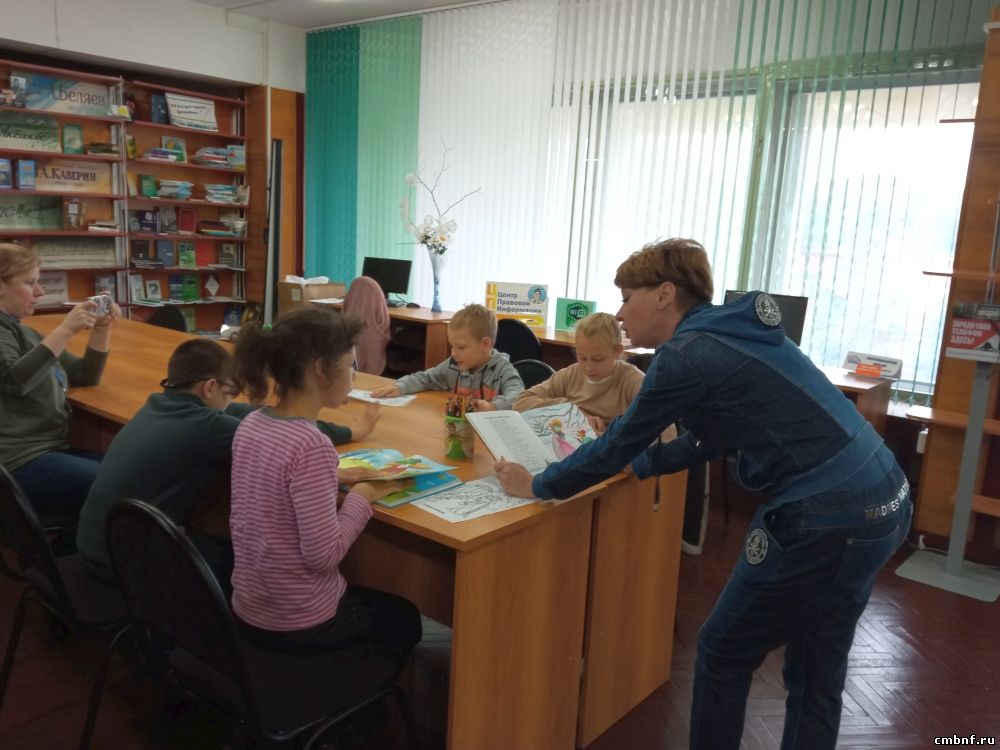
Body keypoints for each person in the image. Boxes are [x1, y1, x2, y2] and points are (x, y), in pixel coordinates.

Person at [495, 238, 912, 750]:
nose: (620, 313)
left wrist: (538, 484)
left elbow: (617, 443)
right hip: (885, 498)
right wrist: (645, 465)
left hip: (822, 513)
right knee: (816, 669)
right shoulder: (730, 334)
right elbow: (711, 435)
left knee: (722, 651)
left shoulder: (685, 354)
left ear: (664, 294)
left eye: (626, 297)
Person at [75, 338, 380, 584]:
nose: (232, 399)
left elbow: (253, 414)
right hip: (124, 564)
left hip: (94, 546)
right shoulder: (208, 427)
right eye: (230, 391)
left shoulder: (159, 404)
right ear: (209, 387)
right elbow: (281, 436)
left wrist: (346, 431)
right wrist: (341, 450)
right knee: (242, 561)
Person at [229, 306, 421, 668]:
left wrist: (329, 478)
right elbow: (323, 556)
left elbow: (274, 488)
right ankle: (349, 691)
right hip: (301, 620)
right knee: (405, 618)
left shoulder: (251, 425)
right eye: (350, 364)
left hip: (249, 610)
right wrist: (363, 496)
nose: (354, 374)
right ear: (320, 370)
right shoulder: (311, 445)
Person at [0, 242, 119, 522]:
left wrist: (101, 329)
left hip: (46, 450)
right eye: (30, 283)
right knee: (119, 485)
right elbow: (15, 382)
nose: (40, 292)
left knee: (130, 473)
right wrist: (65, 330)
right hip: (19, 461)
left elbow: (85, 374)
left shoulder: (25, 332)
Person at [512, 311, 653, 435]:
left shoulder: (633, 381)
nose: (589, 368)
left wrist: (610, 432)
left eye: (598, 359)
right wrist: (571, 411)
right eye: (582, 358)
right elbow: (520, 402)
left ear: (618, 352)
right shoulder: (572, 374)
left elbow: (659, 431)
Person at [369, 303, 524, 411]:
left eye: (461, 347)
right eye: (452, 346)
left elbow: (519, 395)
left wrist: (493, 406)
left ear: (485, 344)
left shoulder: (502, 368)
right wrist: (400, 387)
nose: (454, 353)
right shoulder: (454, 364)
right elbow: (427, 378)